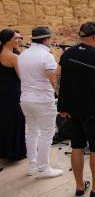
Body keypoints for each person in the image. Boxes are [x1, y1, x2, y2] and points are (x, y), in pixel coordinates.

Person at [57, 22, 95, 197]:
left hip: (72, 110)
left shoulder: (68, 54)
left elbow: (59, 78)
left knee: (77, 147)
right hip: (93, 110)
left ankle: (80, 186)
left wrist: (62, 106)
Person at [18, 27, 62, 178]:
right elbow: (53, 79)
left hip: (25, 98)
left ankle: (32, 165)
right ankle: (43, 168)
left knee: (31, 131)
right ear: (45, 39)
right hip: (42, 100)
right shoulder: (46, 55)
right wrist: (59, 95)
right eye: (50, 39)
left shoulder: (23, 55)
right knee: (46, 133)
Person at [0, 29, 26, 162]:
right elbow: (22, 76)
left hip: (3, 91)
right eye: (16, 38)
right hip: (14, 91)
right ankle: (16, 152)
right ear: (8, 40)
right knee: (16, 120)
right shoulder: (13, 57)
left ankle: (5, 150)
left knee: (5, 120)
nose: (19, 40)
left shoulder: (2, 52)